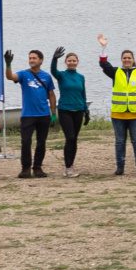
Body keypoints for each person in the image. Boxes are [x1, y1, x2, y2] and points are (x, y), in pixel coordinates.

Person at [97, 34, 136, 176]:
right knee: (120, 141)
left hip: (135, 114)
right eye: (124, 58)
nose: (127, 60)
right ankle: (120, 167)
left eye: (129, 58)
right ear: (121, 60)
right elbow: (103, 64)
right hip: (118, 114)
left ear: (133, 60)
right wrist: (103, 48)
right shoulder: (116, 72)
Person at [4, 48, 56, 179]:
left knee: (41, 142)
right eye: (30, 58)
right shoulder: (23, 74)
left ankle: (37, 168)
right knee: (26, 142)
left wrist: (53, 113)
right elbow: (10, 77)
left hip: (43, 114)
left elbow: (51, 94)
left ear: (41, 60)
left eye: (34, 58)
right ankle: (25, 169)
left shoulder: (46, 76)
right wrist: (8, 64)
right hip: (28, 115)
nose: (31, 60)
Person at [49, 46, 89, 177]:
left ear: (77, 62)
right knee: (70, 137)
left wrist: (86, 110)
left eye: (74, 60)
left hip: (79, 110)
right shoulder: (61, 75)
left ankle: (71, 165)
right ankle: (68, 167)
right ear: (66, 62)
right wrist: (54, 59)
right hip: (65, 110)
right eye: (69, 60)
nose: (72, 62)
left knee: (74, 139)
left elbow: (83, 94)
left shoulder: (81, 77)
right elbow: (53, 71)